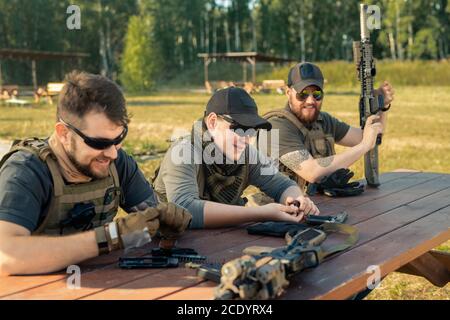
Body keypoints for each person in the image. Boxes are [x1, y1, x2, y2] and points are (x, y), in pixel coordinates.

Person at [0, 71, 191, 276]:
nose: (111, 153)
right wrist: (109, 238)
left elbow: (152, 214)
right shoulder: (26, 171)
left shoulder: (118, 163)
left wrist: (166, 222)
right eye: (99, 143)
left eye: (118, 139)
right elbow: (6, 257)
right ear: (64, 134)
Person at [153, 86, 320, 229]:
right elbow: (185, 210)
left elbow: (282, 184)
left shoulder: (245, 152)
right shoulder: (183, 152)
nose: (245, 138)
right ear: (212, 122)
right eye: (238, 128)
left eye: (251, 130)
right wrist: (259, 213)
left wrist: (297, 201)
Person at [263, 62, 394, 192]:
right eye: (302, 94)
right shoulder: (276, 127)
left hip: (317, 204)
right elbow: (312, 172)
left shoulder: (323, 120)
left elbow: (369, 137)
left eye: (317, 94)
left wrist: (381, 106)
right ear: (288, 93)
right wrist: (363, 146)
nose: (310, 101)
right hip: (277, 209)